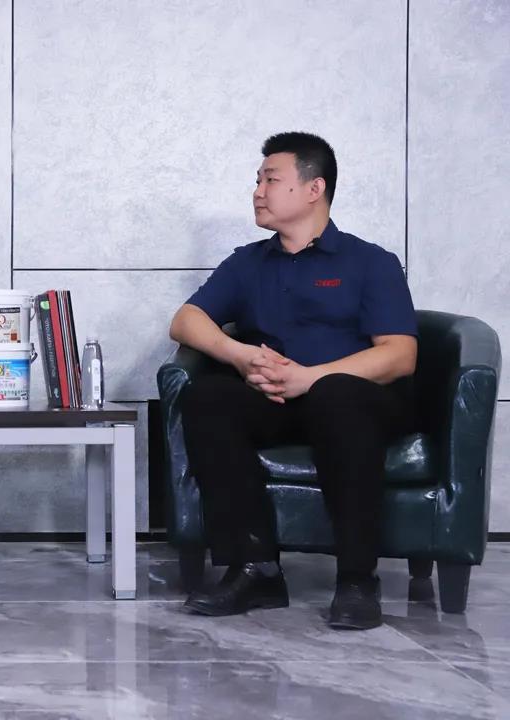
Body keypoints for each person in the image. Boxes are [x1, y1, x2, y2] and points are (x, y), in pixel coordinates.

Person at [169, 132, 417, 630]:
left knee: (337, 395)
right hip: (275, 400)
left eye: (270, 179)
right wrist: (240, 356)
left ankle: (357, 580)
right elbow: (186, 320)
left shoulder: (370, 262)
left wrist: (312, 378)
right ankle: (255, 569)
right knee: (209, 397)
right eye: (257, 180)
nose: (257, 191)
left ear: (313, 188)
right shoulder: (249, 262)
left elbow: (400, 355)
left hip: (352, 402)